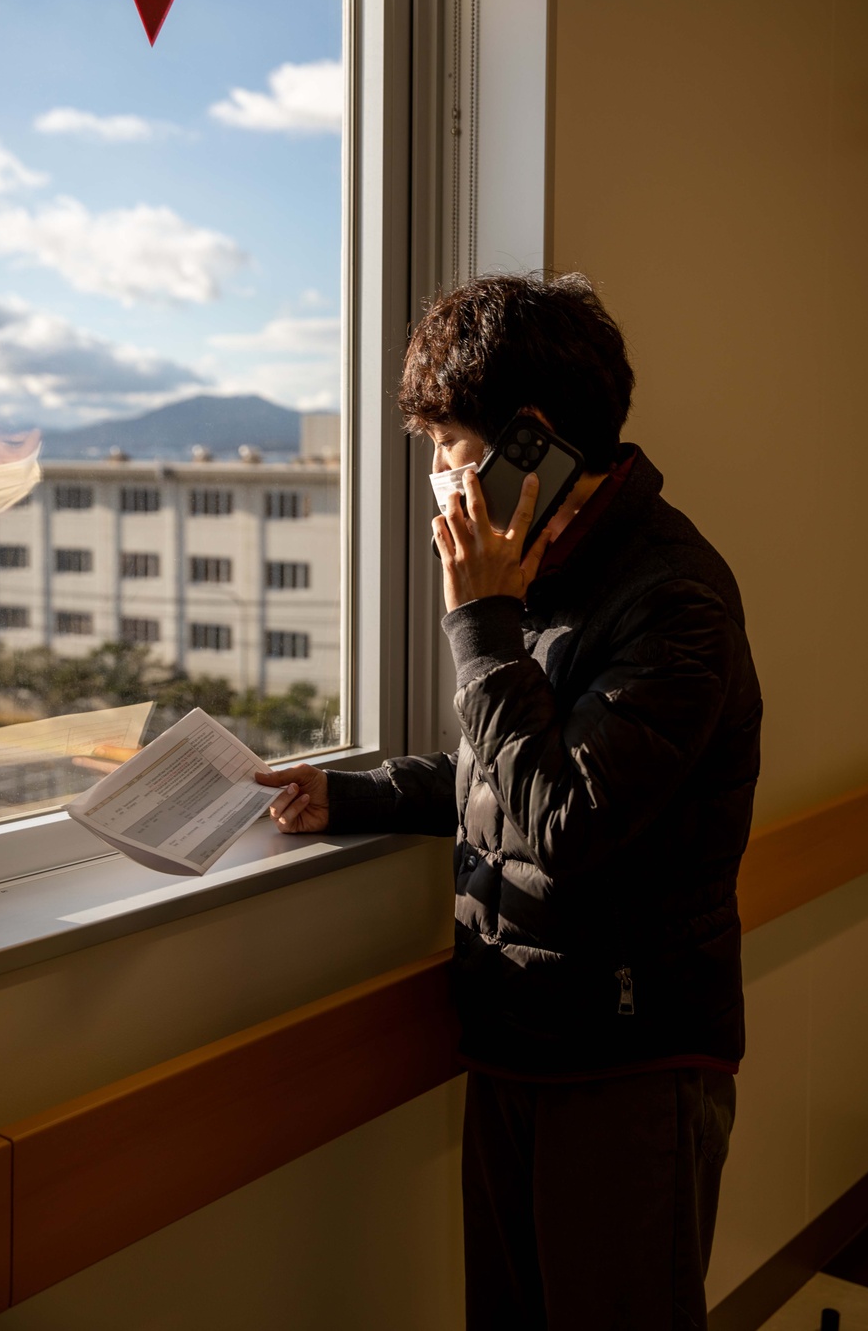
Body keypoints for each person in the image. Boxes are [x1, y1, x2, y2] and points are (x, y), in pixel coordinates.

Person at [257, 272, 763, 1331]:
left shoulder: (672, 601)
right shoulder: (546, 575)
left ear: (526, 442)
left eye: (449, 445)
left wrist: (480, 625)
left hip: (630, 1054)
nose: (439, 476)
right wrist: (346, 798)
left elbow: (562, 823)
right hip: (518, 1029)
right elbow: (501, 771)